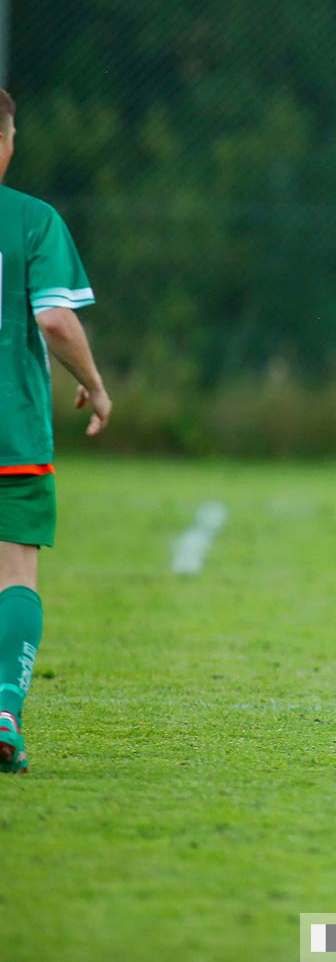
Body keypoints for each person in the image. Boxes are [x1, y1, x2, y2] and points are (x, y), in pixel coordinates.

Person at [0, 87, 113, 773]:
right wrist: (95, 387)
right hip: (11, 434)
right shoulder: (33, 222)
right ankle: (5, 706)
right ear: (7, 141)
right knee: (15, 573)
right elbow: (54, 318)